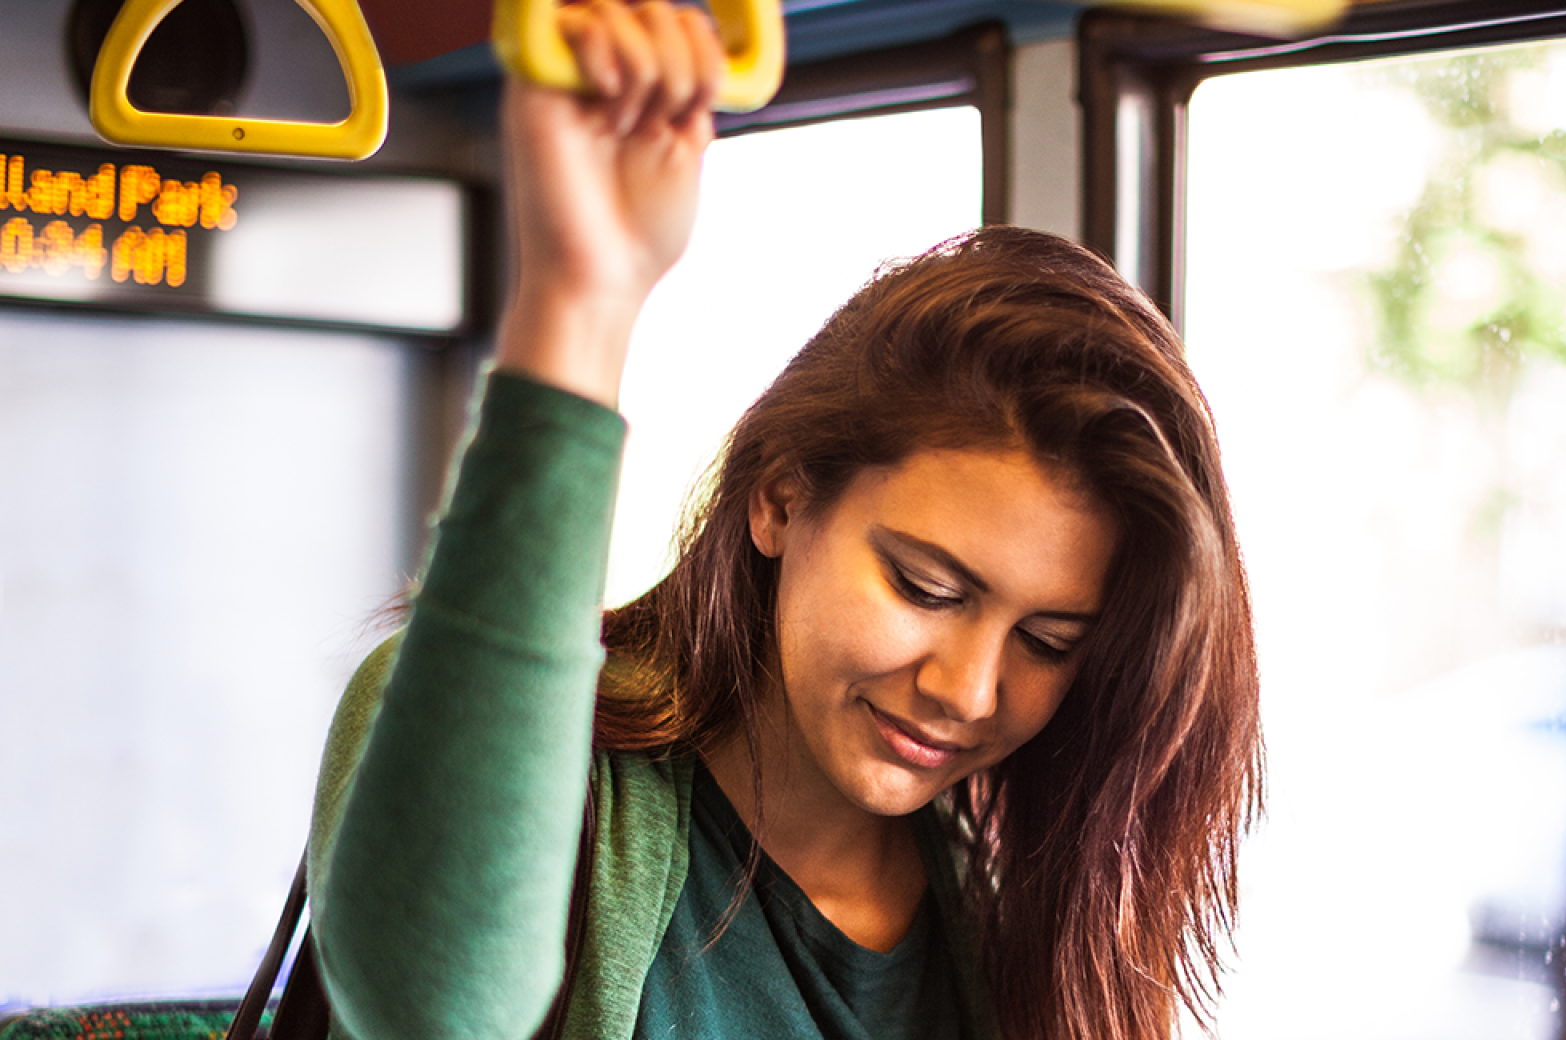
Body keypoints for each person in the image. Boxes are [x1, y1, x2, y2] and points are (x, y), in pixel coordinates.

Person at [306, 4, 1261, 1040]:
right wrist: (582, 301)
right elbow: (429, 1006)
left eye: (1046, 640)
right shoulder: (526, 755)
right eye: (925, 587)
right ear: (778, 496)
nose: (966, 690)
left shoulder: (1019, 916)